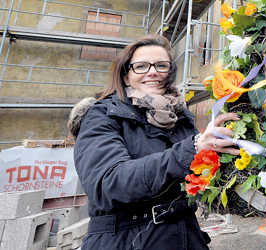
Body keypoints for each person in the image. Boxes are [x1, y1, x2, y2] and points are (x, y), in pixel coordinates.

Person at [69, 34, 240, 250]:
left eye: (161, 65)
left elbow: (200, 178)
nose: (153, 71)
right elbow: (107, 184)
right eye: (141, 66)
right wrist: (194, 148)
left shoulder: (181, 116)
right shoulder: (102, 115)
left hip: (187, 237)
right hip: (126, 241)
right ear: (125, 76)